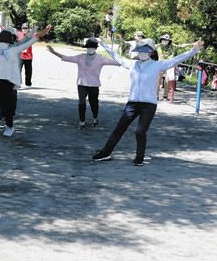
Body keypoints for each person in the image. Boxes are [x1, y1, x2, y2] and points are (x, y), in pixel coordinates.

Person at [92, 37, 203, 166]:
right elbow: (117, 57)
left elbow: (177, 59)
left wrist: (194, 50)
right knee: (119, 129)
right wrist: (104, 44)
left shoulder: (158, 65)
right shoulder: (132, 64)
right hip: (132, 103)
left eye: (144, 51)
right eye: (139, 51)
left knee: (140, 131)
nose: (141, 53)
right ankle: (105, 153)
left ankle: (139, 158)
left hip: (149, 105)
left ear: (150, 52)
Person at [46, 38, 120, 130]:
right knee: (81, 103)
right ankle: (82, 121)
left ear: (95, 48)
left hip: (94, 84)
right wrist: (54, 52)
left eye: (92, 47)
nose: (90, 49)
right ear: (86, 48)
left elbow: (117, 62)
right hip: (82, 84)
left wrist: (130, 61)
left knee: (94, 103)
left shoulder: (101, 58)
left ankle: (95, 118)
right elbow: (67, 58)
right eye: (88, 47)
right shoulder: (80, 57)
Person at [155, 34, 194, 101]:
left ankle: (165, 96)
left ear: (169, 41)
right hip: (160, 64)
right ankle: (156, 95)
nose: (164, 41)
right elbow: (149, 45)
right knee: (158, 79)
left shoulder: (173, 46)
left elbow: (182, 46)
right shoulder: (158, 46)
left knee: (168, 79)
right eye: (163, 39)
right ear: (161, 40)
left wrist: (192, 44)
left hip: (170, 64)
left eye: (166, 40)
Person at [17, 22, 34, 86]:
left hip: (29, 56)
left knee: (28, 71)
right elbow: (9, 31)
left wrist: (46, 30)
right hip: (20, 56)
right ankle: (18, 82)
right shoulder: (18, 34)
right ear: (21, 29)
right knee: (18, 70)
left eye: (26, 28)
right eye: (23, 28)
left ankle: (28, 83)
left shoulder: (31, 35)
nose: (24, 29)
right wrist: (1, 27)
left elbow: (39, 34)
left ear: (28, 29)